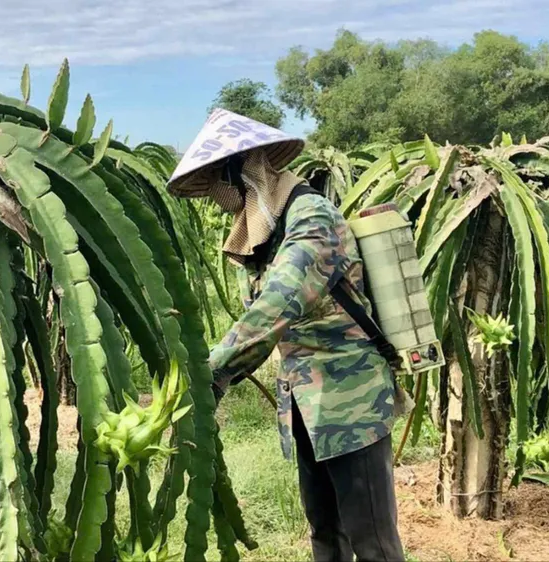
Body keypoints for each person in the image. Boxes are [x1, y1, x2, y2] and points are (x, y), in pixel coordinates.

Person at [167, 109, 408, 562]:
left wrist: (211, 373)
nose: (220, 198)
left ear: (250, 170)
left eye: (223, 181)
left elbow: (279, 303)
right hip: (306, 402)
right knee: (324, 531)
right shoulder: (271, 228)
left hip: (350, 400)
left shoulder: (311, 217)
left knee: (372, 541)